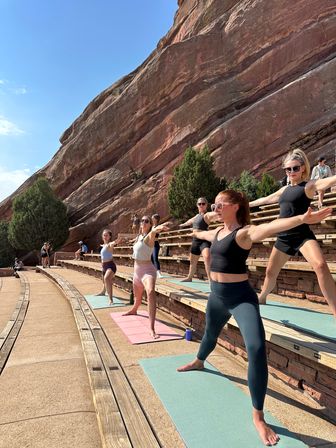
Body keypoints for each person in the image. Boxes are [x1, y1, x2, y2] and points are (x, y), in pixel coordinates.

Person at [177, 189, 331, 446]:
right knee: (210, 335)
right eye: (213, 203)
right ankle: (199, 360)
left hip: (241, 299)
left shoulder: (244, 233)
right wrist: (194, 233)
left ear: (235, 206)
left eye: (220, 203)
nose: (215, 207)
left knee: (257, 348)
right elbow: (203, 233)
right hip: (216, 297)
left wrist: (302, 219)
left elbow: (271, 226)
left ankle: (258, 416)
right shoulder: (216, 232)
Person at [249, 148, 336, 317]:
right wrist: (245, 203)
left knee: (320, 265)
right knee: (270, 272)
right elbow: (265, 199)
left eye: (295, 168)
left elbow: (328, 182)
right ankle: (263, 296)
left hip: (302, 235)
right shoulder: (283, 190)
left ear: (303, 168)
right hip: (284, 236)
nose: (291, 172)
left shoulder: (308, 186)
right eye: (288, 169)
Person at [124, 216, 170, 338]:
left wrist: (159, 227)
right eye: (142, 221)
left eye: (146, 221)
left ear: (150, 224)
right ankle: (134, 310)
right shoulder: (139, 237)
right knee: (137, 298)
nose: (143, 223)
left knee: (150, 293)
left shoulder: (150, 236)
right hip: (136, 272)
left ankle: (151, 328)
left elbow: (155, 231)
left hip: (148, 271)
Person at [179, 197, 218, 282]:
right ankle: (189, 277)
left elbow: (214, 215)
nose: (201, 205)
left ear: (206, 205)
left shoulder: (207, 215)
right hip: (195, 240)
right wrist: (183, 224)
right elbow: (190, 221)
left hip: (204, 239)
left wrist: (215, 210)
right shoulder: (197, 216)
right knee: (192, 261)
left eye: (203, 204)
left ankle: (211, 281)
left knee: (207, 258)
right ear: (197, 205)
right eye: (199, 204)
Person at [95, 229, 123, 304]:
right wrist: (102, 266)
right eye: (104, 235)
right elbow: (102, 257)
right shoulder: (103, 246)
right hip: (104, 266)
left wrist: (117, 240)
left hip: (110, 265)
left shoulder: (109, 245)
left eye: (107, 235)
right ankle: (103, 292)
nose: (105, 237)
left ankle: (111, 299)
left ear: (110, 237)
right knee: (104, 281)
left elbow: (114, 243)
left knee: (107, 278)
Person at [151, 214, 163, 278]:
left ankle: (159, 272)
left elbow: (156, 233)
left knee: (155, 258)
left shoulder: (159, 226)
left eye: (153, 218)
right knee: (151, 259)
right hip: (150, 245)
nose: (152, 219)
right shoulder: (152, 227)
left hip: (155, 244)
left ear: (156, 219)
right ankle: (154, 271)